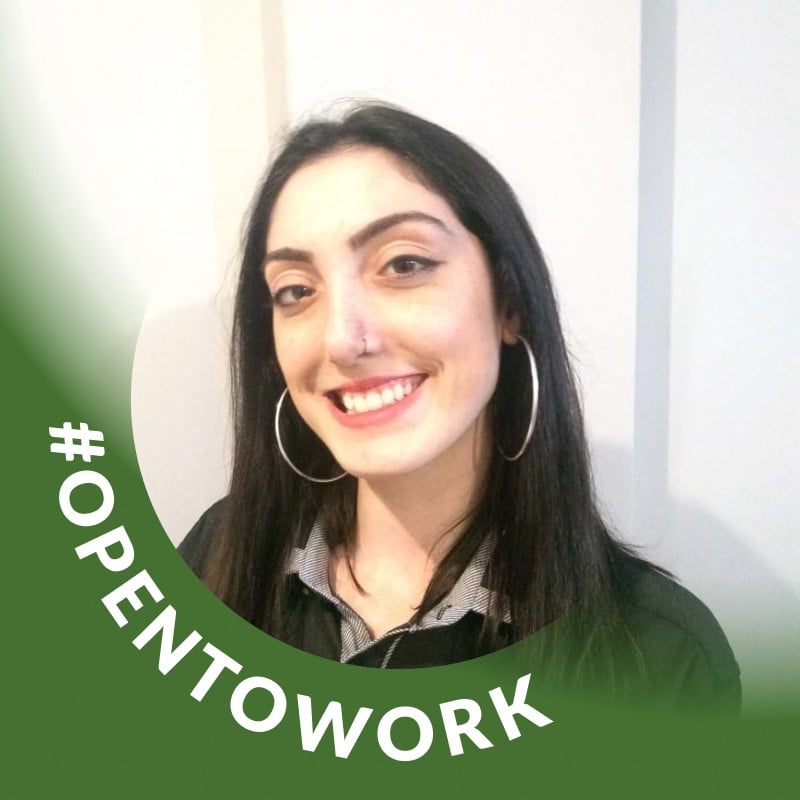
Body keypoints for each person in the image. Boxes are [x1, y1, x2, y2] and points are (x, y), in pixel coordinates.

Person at [179, 102, 740, 711]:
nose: (340, 339)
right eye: (295, 291)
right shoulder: (218, 556)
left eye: (404, 264)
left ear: (509, 303)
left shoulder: (659, 658)